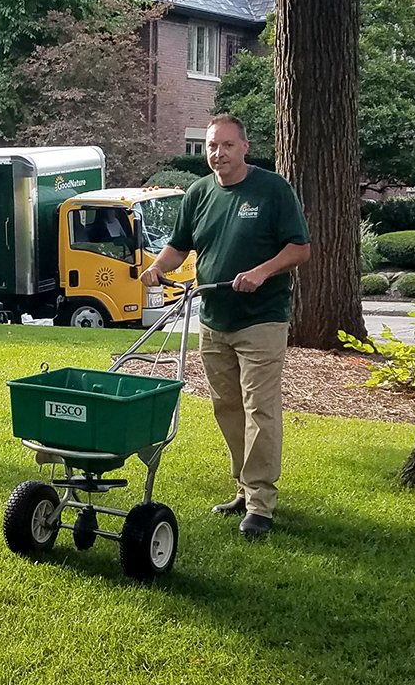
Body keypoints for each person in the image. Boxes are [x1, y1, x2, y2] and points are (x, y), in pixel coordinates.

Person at [139, 113, 310, 538]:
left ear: (244, 147)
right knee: (227, 408)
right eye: (212, 146)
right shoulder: (199, 193)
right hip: (214, 319)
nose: (219, 154)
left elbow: (299, 249)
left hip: (261, 320)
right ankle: (244, 487)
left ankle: (261, 504)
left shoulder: (272, 190)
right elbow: (178, 247)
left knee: (260, 409)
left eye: (228, 145)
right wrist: (157, 268)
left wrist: (262, 272)